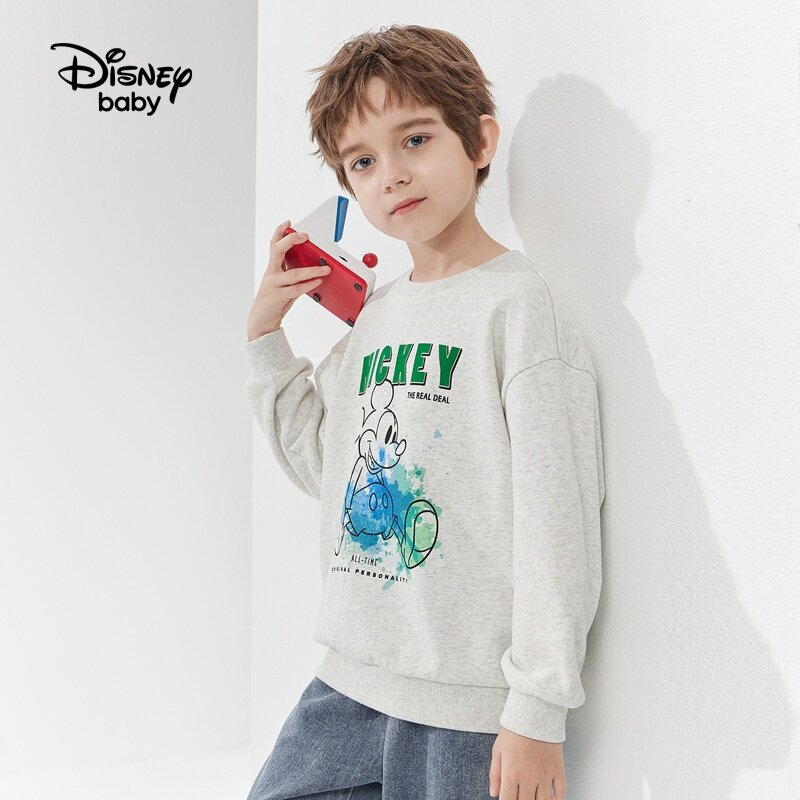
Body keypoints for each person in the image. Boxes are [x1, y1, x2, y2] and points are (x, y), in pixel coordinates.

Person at [241, 23, 606, 800]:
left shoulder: (518, 309)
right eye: (363, 162)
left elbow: (557, 522)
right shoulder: (377, 314)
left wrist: (537, 710)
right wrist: (266, 337)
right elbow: (328, 470)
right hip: (348, 681)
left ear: (479, 142)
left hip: (467, 708)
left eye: (415, 139)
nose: (393, 175)